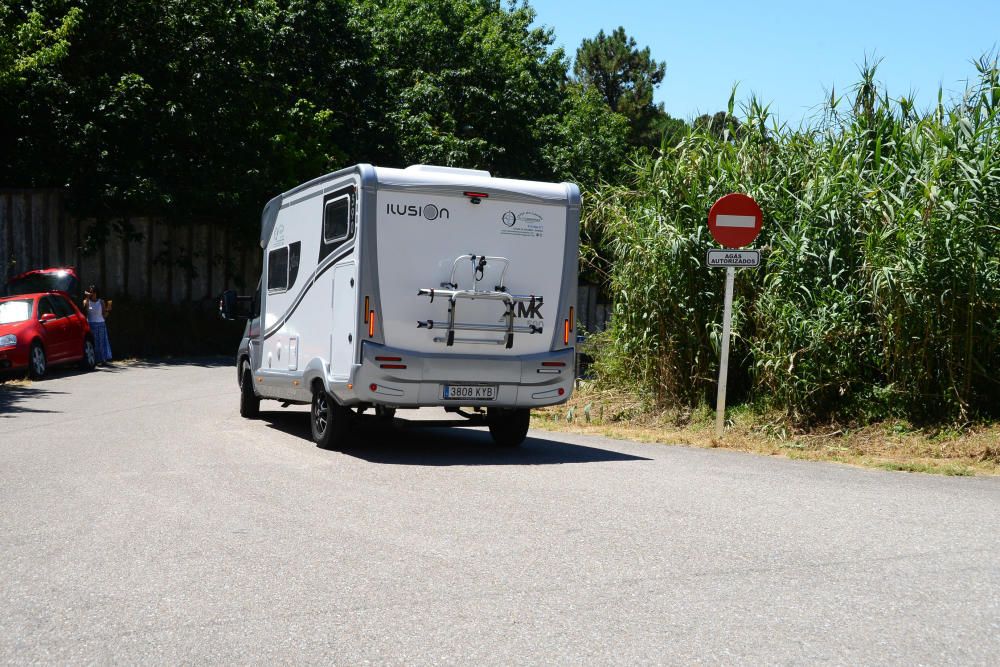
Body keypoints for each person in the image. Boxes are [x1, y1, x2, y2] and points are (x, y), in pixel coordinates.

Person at [82, 285, 113, 365]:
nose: (91, 293)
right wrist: (87, 298)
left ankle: (103, 359)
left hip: (101, 324)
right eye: (90, 292)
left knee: (102, 343)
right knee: (94, 343)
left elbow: (104, 315)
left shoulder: (101, 302)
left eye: (93, 292)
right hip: (91, 324)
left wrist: (108, 310)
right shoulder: (86, 301)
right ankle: (94, 360)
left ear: (96, 293)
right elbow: (85, 309)